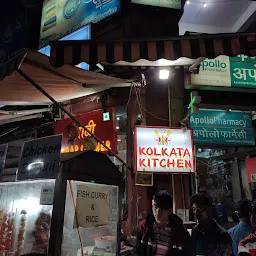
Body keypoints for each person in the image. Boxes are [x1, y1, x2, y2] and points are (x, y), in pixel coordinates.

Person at [132, 190, 191, 256]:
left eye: (162, 209)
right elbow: (136, 251)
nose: (157, 212)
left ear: (170, 211)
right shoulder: (144, 227)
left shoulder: (180, 231)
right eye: (155, 207)